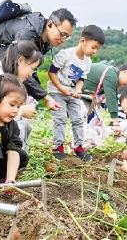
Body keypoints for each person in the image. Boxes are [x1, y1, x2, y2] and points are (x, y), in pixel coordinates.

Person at [0, 8, 77, 110]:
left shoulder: (44, 41)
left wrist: (44, 96)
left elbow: (30, 69)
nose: (63, 39)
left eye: (67, 36)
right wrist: (44, 96)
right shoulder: (27, 33)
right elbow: (21, 68)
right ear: (50, 24)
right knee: (11, 81)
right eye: (62, 34)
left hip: (2, 54)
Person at [48, 25, 104, 161]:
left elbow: (81, 79)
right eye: (94, 47)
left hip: (72, 93)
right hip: (57, 92)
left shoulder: (88, 62)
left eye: (97, 49)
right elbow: (51, 73)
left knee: (78, 119)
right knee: (60, 118)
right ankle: (58, 146)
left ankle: (78, 147)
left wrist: (78, 90)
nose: (95, 51)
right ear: (83, 40)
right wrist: (61, 88)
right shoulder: (66, 55)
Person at [82, 62, 127, 135]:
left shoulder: (113, 73)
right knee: (82, 121)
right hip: (79, 92)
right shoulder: (111, 75)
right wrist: (116, 124)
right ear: (125, 72)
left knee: (92, 122)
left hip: (88, 95)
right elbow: (111, 99)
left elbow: (113, 98)